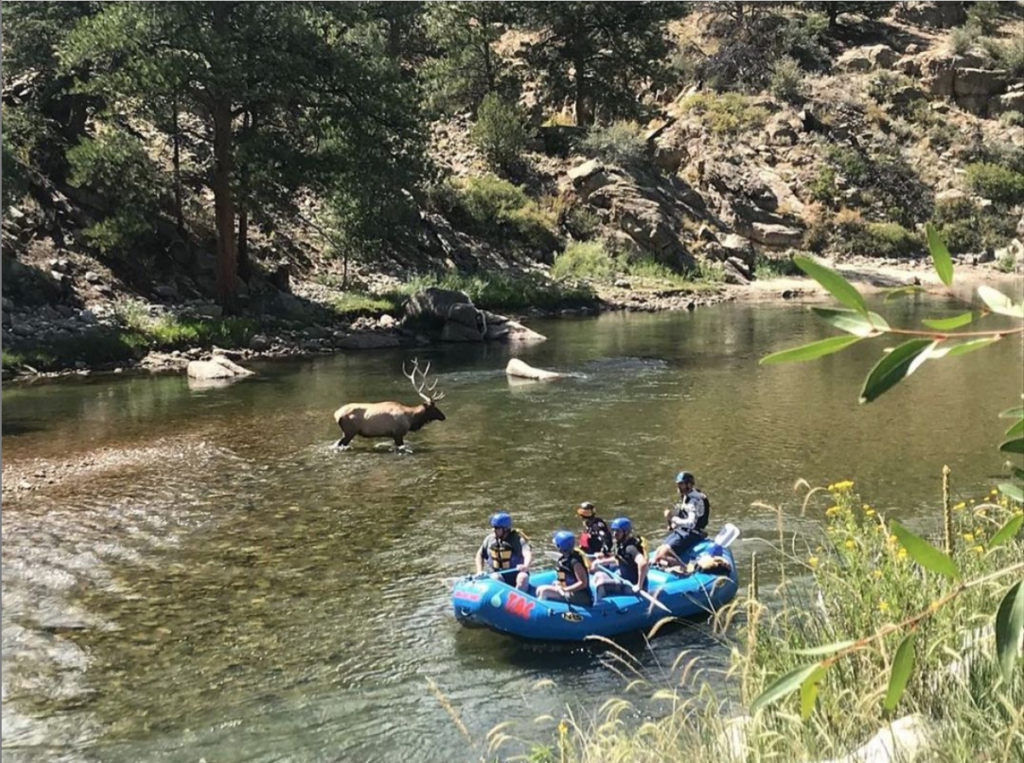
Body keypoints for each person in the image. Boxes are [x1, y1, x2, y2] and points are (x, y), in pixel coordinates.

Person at [652, 470, 711, 569]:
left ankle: (685, 569)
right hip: (682, 531)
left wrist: (672, 518)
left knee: (662, 555)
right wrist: (673, 524)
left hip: (692, 533)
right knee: (659, 551)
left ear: (689, 485)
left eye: (682, 484)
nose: (679, 487)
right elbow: (684, 515)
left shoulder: (694, 500)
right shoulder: (686, 496)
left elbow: (691, 523)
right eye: (678, 484)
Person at [591, 517, 649, 597]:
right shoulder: (621, 544)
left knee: (601, 585)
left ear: (626, 532)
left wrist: (639, 585)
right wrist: (601, 561)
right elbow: (620, 559)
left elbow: (643, 563)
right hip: (623, 577)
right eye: (613, 531)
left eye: (618, 531)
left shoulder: (630, 548)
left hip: (631, 584)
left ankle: (601, 607)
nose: (614, 534)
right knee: (598, 574)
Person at [475, 512, 531, 590]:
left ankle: (519, 597)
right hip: (499, 576)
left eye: (497, 528)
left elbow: (527, 554)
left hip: (516, 576)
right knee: (495, 577)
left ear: (505, 529)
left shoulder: (517, 540)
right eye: (493, 527)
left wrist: (526, 566)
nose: (493, 530)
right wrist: (479, 571)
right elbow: (480, 555)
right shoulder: (490, 539)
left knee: (523, 577)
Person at [535, 531, 593, 606]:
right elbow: (561, 578)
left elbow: (583, 583)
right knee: (539, 590)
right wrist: (559, 583)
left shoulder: (575, 562)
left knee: (544, 591)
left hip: (581, 596)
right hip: (568, 591)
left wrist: (565, 589)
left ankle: (540, 612)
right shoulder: (562, 561)